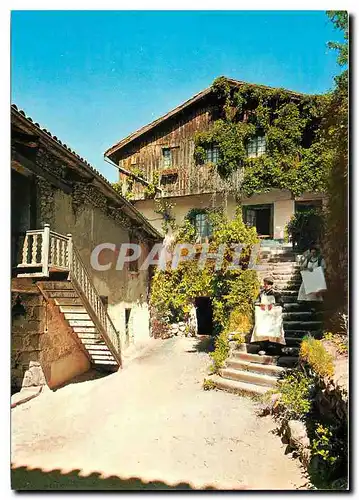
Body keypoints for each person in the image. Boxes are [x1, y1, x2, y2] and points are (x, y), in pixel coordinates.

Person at [250, 277, 286, 355]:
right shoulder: (261, 293)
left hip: (273, 317)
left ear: (271, 285)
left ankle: (277, 348)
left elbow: (281, 304)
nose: (265, 285)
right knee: (263, 330)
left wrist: (273, 305)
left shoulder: (276, 293)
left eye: (267, 284)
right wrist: (260, 304)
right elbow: (255, 302)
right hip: (264, 316)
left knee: (275, 331)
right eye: (265, 284)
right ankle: (263, 347)